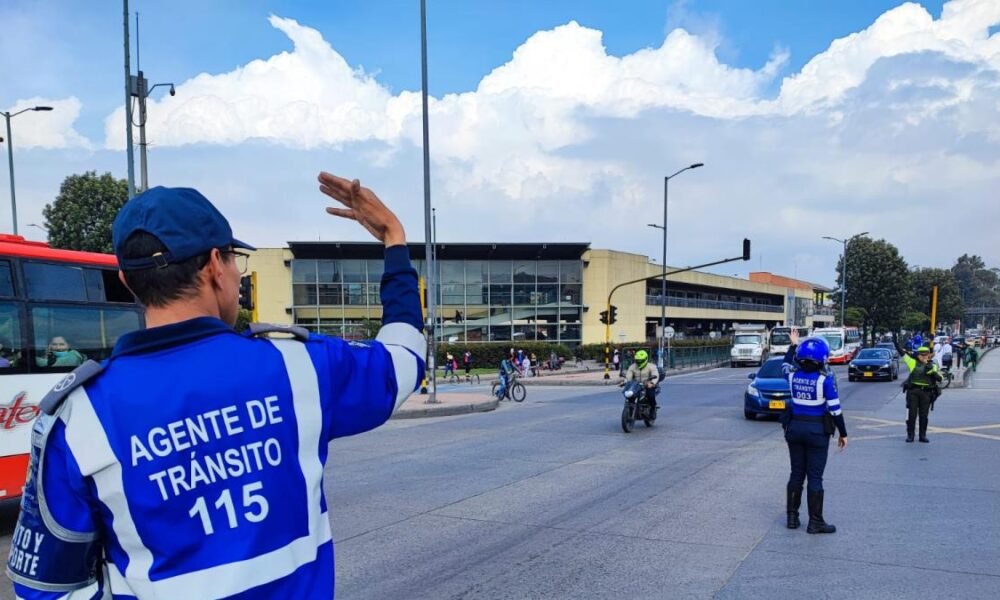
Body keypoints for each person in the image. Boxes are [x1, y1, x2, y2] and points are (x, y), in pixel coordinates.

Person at [8, 177, 426, 599]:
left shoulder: (78, 416)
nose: (238, 277)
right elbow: (404, 360)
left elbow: (46, 588)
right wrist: (393, 239)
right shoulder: (300, 366)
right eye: (234, 261)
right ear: (213, 265)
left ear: (127, 280)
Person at [781, 330, 848, 534]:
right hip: (817, 432)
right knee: (815, 477)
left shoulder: (792, 375)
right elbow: (835, 410)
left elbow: (784, 363)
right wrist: (843, 433)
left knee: (796, 474)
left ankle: (792, 518)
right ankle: (815, 522)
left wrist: (793, 344)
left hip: (794, 429)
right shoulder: (824, 380)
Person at [896, 339, 942, 443]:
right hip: (913, 392)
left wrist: (932, 372)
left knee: (924, 416)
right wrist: (897, 344)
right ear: (918, 355)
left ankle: (922, 435)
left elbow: (941, 378)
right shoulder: (913, 363)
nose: (924, 356)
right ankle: (910, 435)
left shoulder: (933, 365)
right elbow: (903, 354)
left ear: (929, 355)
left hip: (926, 393)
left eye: (926, 354)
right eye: (922, 354)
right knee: (911, 415)